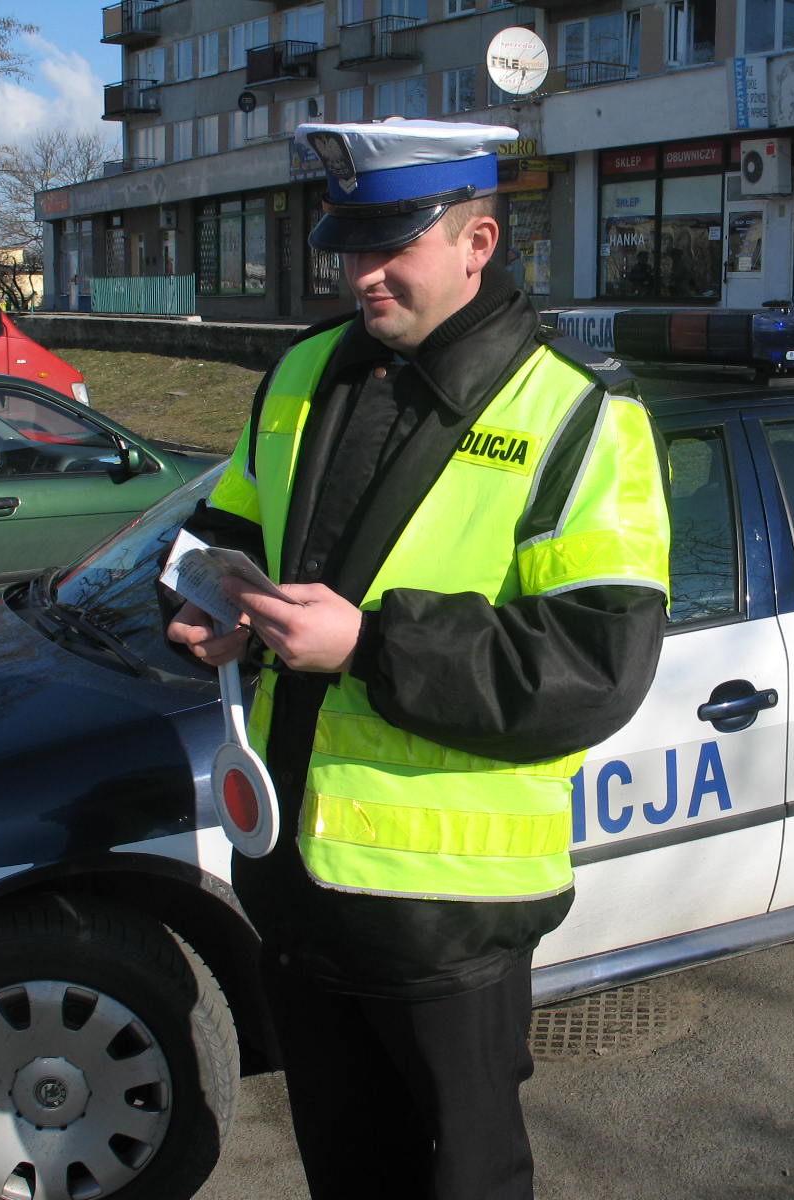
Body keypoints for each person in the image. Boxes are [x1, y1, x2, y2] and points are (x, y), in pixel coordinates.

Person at [164, 118, 671, 1200]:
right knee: (348, 1175)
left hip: (447, 921)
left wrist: (367, 643)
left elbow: (596, 665)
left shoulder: (580, 418)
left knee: (465, 1181)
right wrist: (207, 602)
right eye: (349, 245)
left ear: (479, 240)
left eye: (392, 244)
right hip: (295, 888)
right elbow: (227, 534)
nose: (361, 272)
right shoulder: (303, 369)